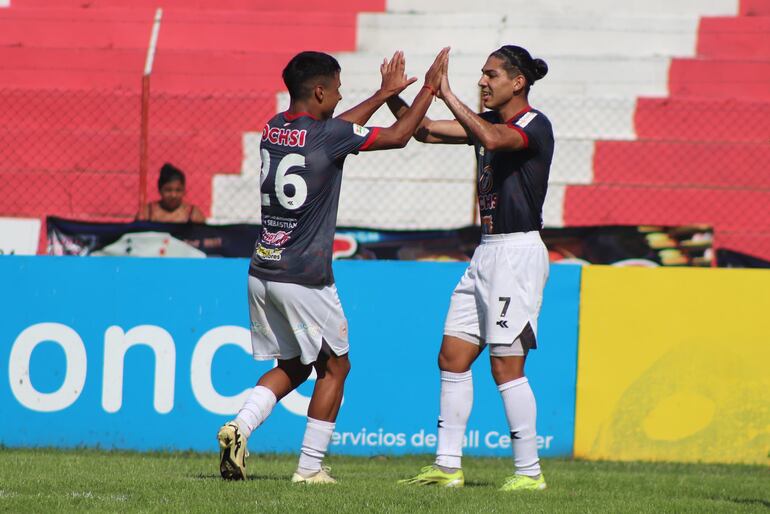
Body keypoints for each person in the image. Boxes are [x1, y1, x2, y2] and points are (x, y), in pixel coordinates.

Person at [216, 48, 449, 484]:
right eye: (338, 89)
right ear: (320, 91)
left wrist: (382, 93)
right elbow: (399, 135)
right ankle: (309, 469)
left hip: (262, 269)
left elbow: (336, 127)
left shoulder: (272, 129)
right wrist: (430, 89)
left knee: (295, 365)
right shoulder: (328, 137)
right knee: (336, 367)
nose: (341, 97)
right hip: (305, 276)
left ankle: (239, 427)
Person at [389, 45, 553, 491]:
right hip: (486, 253)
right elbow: (422, 132)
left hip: (516, 255)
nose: (483, 82)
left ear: (518, 83)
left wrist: (447, 93)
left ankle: (529, 473)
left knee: (505, 366)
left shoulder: (533, 125)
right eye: (481, 75)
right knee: (452, 355)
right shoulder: (489, 125)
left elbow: (495, 140)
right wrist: (395, 95)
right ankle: (447, 466)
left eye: (491, 75)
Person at [135, 163, 206, 223]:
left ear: (184, 190)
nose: (173, 195)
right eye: (168, 190)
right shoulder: (147, 213)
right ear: (160, 190)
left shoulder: (193, 214)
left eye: (178, 190)